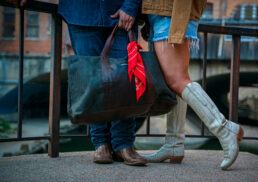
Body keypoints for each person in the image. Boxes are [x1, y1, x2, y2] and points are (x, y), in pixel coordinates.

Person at [140, 0, 244, 170]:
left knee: (177, 80)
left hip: (169, 12)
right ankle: (174, 143)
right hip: (160, 12)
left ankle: (224, 129)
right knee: (172, 81)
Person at [56, 0, 145, 166]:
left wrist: (131, 6)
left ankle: (124, 143)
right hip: (80, 12)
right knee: (92, 80)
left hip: (121, 10)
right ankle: (101, 143)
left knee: (125, 79)